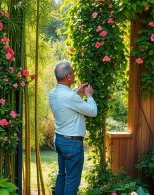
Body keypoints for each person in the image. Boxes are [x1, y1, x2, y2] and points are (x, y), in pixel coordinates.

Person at [49, 61, 97, 195]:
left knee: (62, 176)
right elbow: (93, 111)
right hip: (72, 144)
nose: (74, 74)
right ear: (69, 76)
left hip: (59, 140)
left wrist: (77, 90)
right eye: (73, 72)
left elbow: (67, 96)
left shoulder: (53, 93)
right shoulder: (70, 96)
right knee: (72, 181)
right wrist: (89, 95)